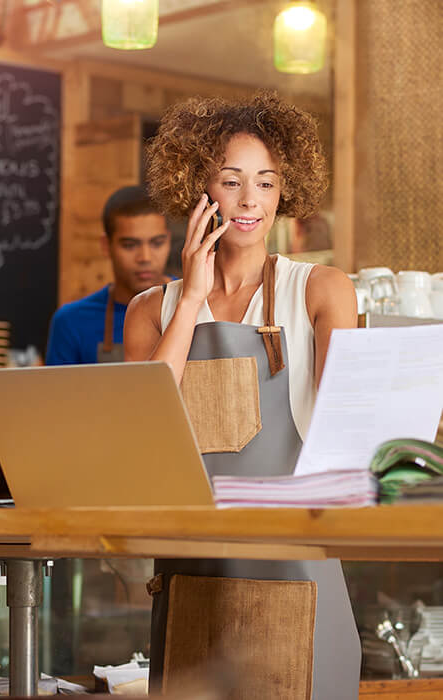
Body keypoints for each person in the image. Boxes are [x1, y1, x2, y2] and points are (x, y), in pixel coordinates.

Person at [124, 93, 360, 698]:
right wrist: (194, 298)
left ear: (286, 190)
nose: (250, 200)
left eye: (266, 182)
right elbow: (140, 425)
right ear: (197, 186)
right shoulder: (153, 309)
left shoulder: (322, 291)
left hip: (295, 565)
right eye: (230, 181)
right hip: (190, 570)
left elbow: (346, 430)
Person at [46, 185, 172, 364]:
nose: (145, 257)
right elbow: (57, 393)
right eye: (130, 245)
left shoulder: (194, 305)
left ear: (168, 239)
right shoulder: (72, 322)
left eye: (157, 243)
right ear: (106, 245)